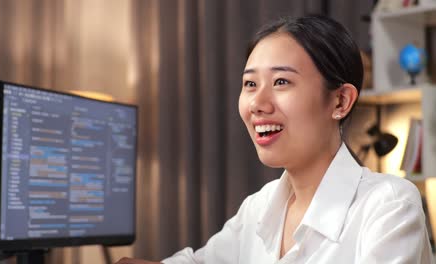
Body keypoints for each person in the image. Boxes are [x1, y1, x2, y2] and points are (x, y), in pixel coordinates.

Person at [116, 15, 434, 264]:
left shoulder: (389, 204)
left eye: (281, 81)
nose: (257, 103)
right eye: (250, 84)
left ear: (340, 102)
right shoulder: (260, 205)